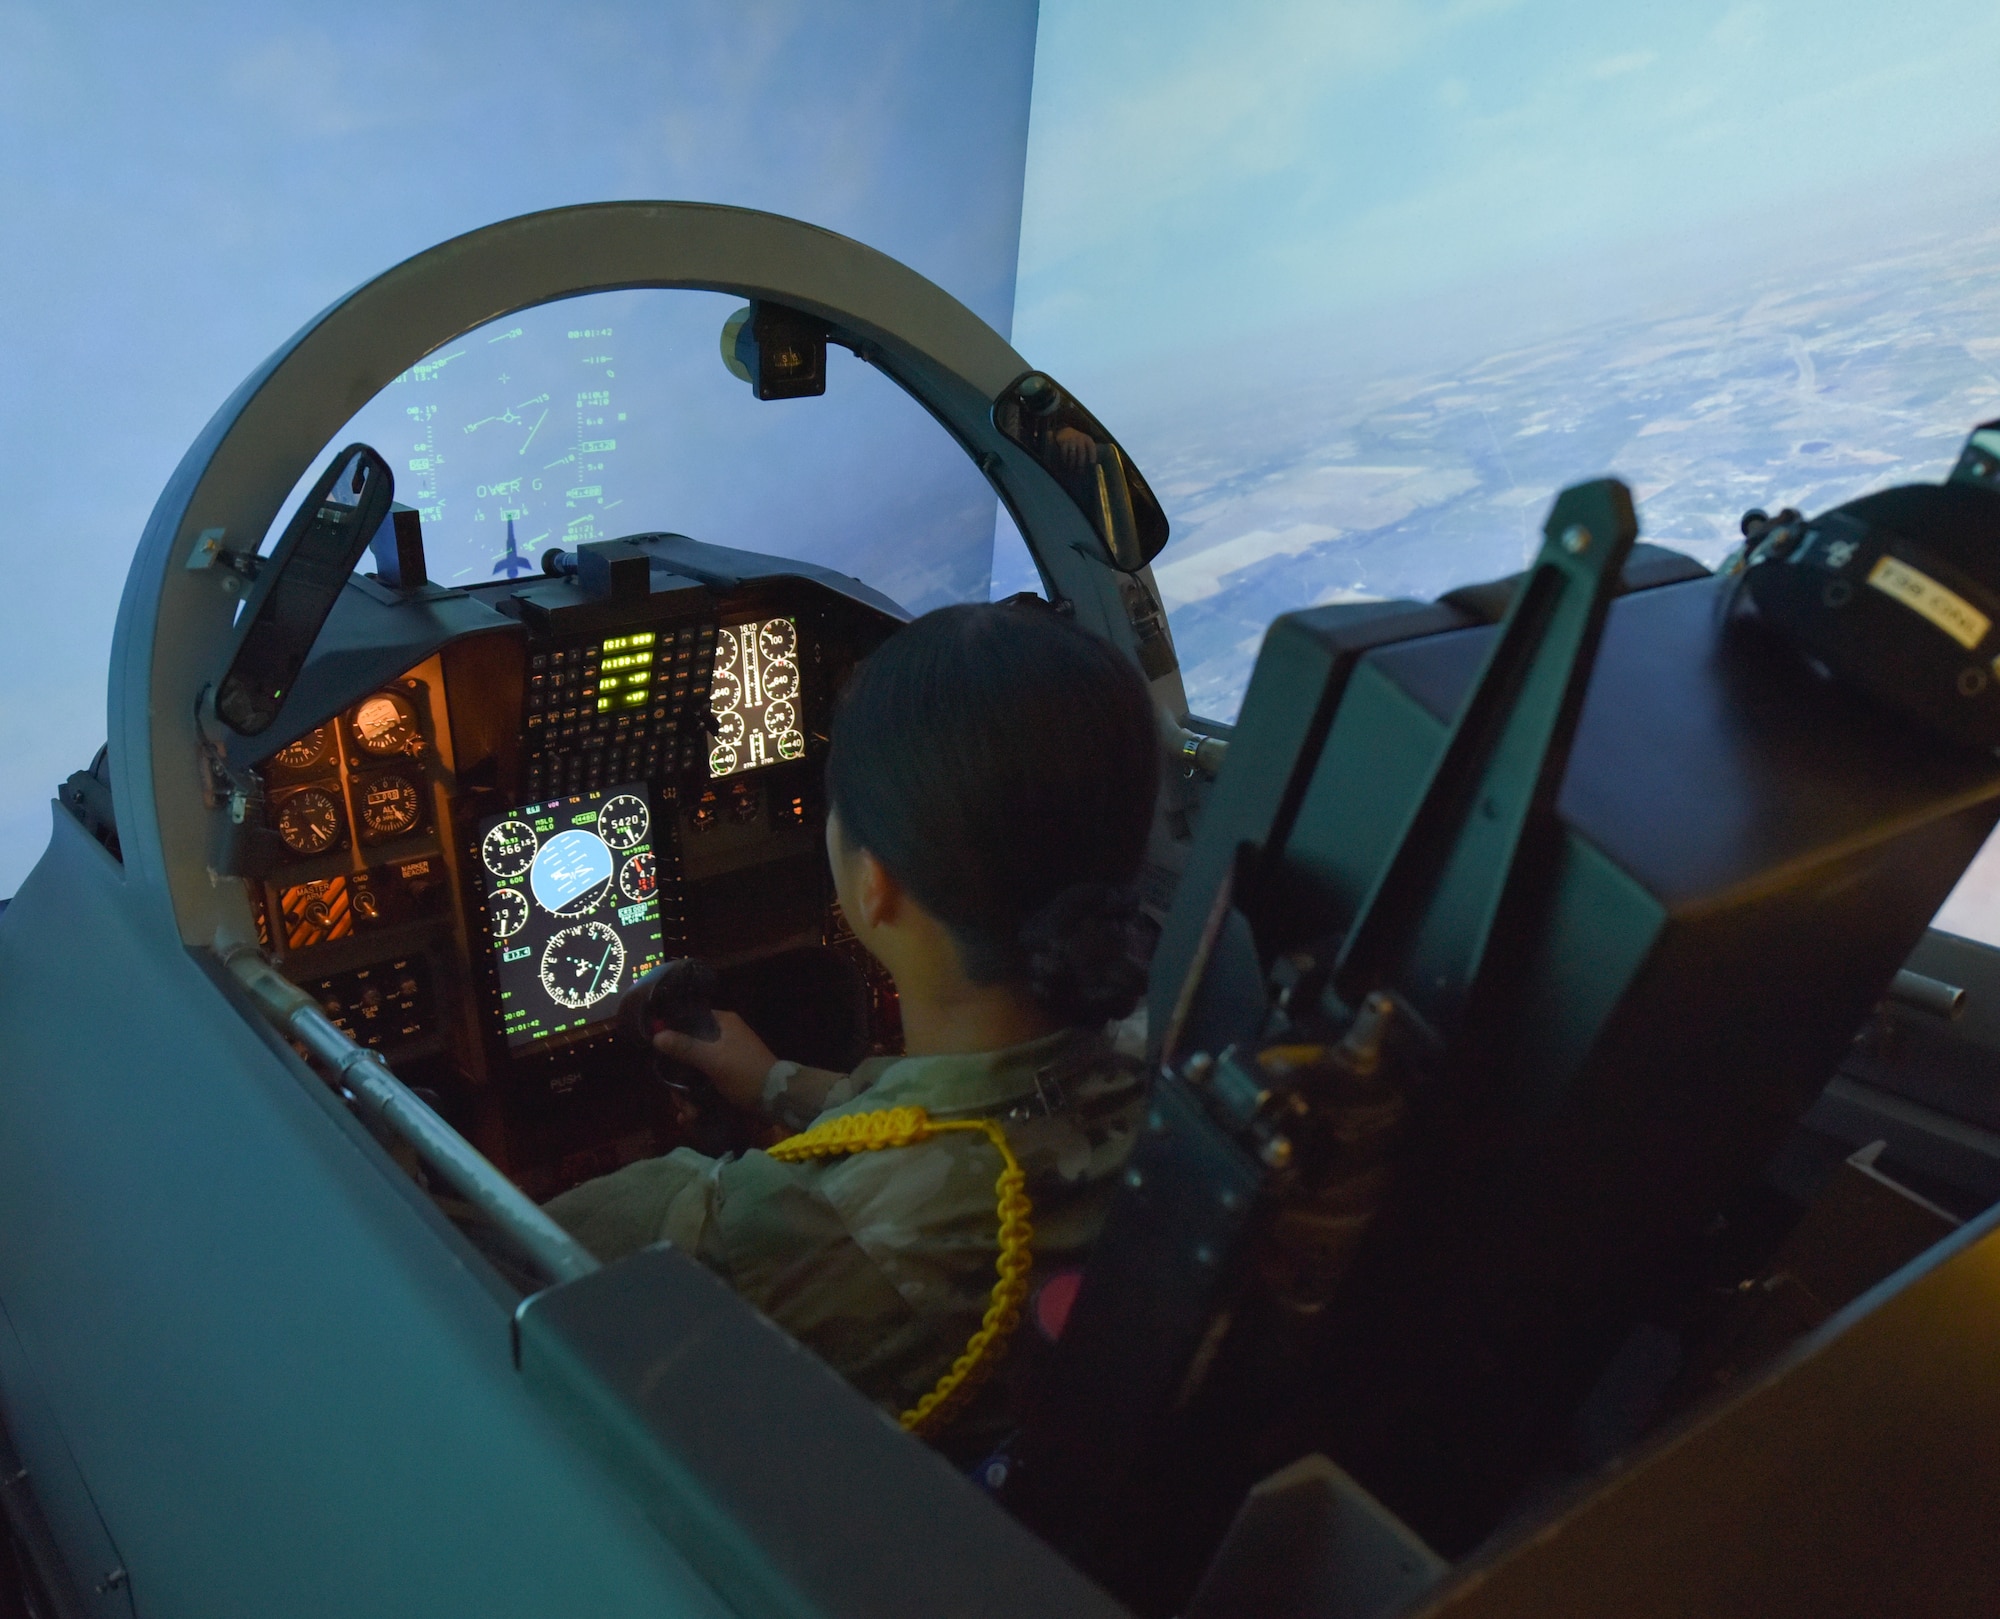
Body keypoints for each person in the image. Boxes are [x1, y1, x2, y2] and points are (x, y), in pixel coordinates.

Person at [544, 601, 1161, 1459]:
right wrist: (773, 1083)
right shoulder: (1185, 1070)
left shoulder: (785, 1232)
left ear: (875, 884)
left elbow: (463, 1256)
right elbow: (977, 1128)